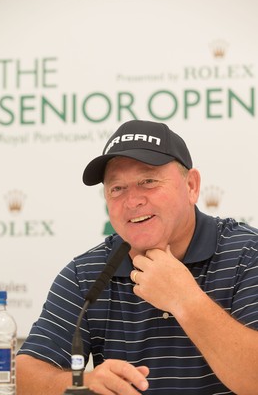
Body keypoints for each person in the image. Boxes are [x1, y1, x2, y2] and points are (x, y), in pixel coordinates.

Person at [16, 120, 258, 395]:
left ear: (191, 185)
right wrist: (80, 385)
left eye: (148, 181)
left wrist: (185, 300)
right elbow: (27, 375)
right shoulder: (86, 273)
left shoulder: (248, 253)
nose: (132, 201)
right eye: (117, 188)